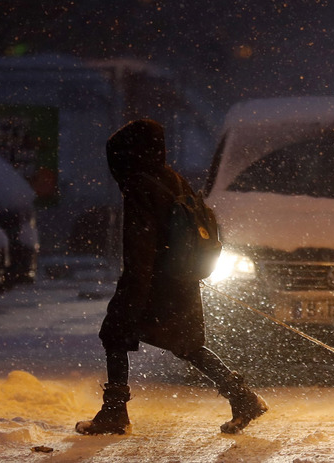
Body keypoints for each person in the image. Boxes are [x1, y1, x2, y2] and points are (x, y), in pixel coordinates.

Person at [76, 119, 266, 436]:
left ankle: (114, 412)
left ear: (129, 155)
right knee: (187, 345)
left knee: (115, 333)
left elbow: (140, 247)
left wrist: (132, 291)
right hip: (181, 280)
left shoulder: (140, 186)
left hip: (152, 282)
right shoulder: (173, 180)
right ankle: (242, 397)